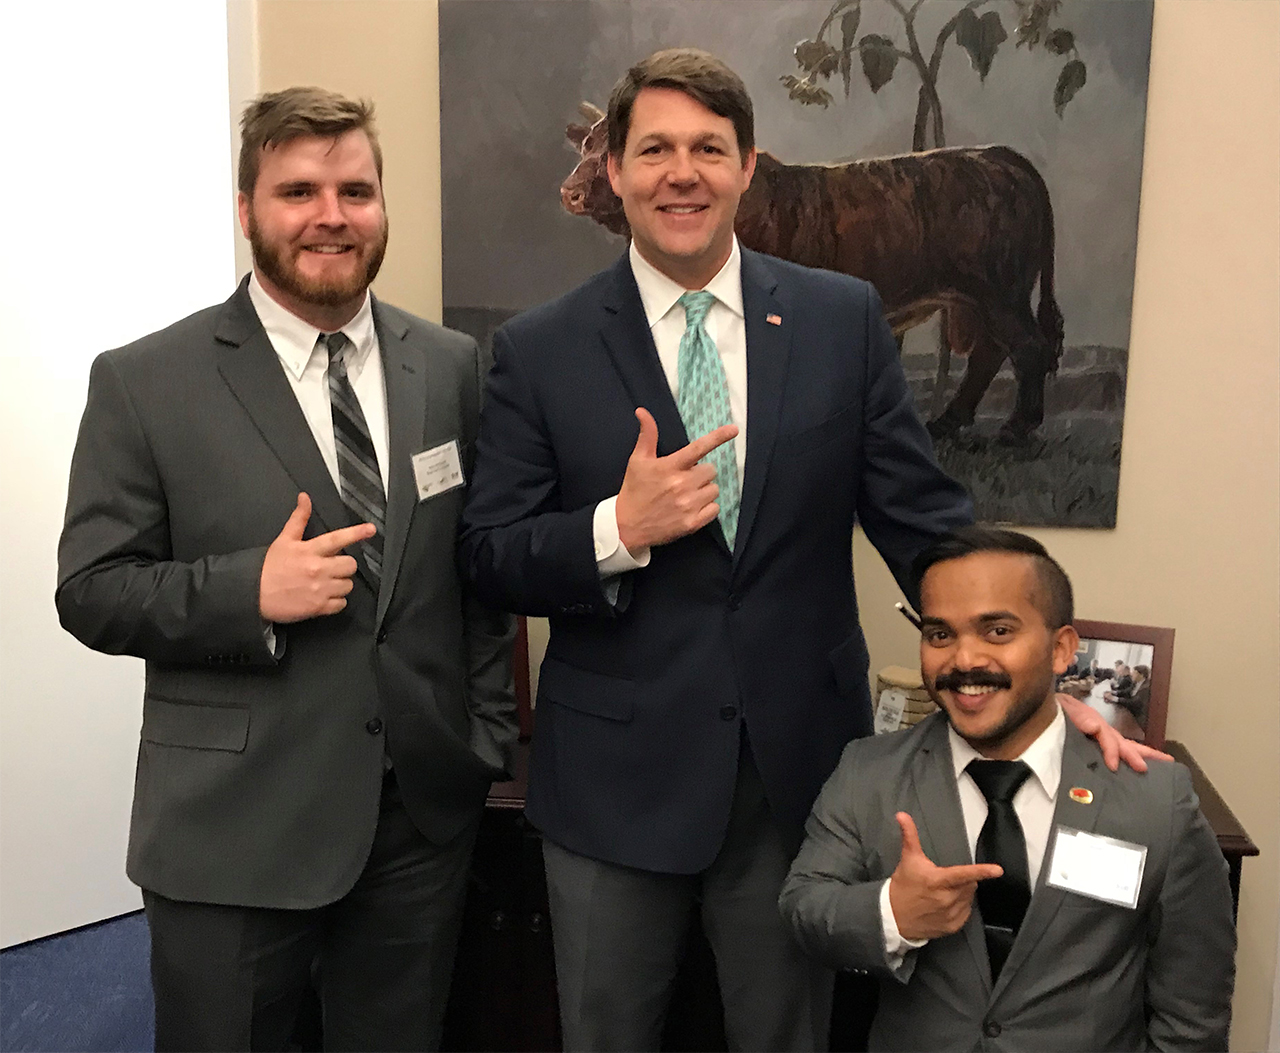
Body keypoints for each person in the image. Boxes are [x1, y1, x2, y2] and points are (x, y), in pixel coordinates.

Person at [459, 48, 1155, 1051]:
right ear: (613, 170)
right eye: (653, 150)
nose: (682, 173)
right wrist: (615, 528)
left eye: (709, 149)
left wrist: (1044, 679)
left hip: (798, 788)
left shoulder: (840, 319)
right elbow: (488, 553)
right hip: (613, 790)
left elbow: (927, 524)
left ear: (749, 166)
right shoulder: (539, 349)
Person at [56, 87, 516, 1052]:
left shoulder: (449, 366)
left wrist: (480, 737)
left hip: (416, 825)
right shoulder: (144, 379)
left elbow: (474, 576)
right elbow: (91, 588)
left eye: (356, 191)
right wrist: (247, 594)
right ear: (246, 209)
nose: (330, 216)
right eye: (298, 191)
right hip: (232, 834)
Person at [780, 527, 1235, 1051]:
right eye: (940, 635)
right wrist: (893, 914)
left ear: (1061, 649)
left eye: (997, 631)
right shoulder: (869, 772)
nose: (964, 660)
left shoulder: (1156, 800)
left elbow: (1193, 1016)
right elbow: (804, 908)